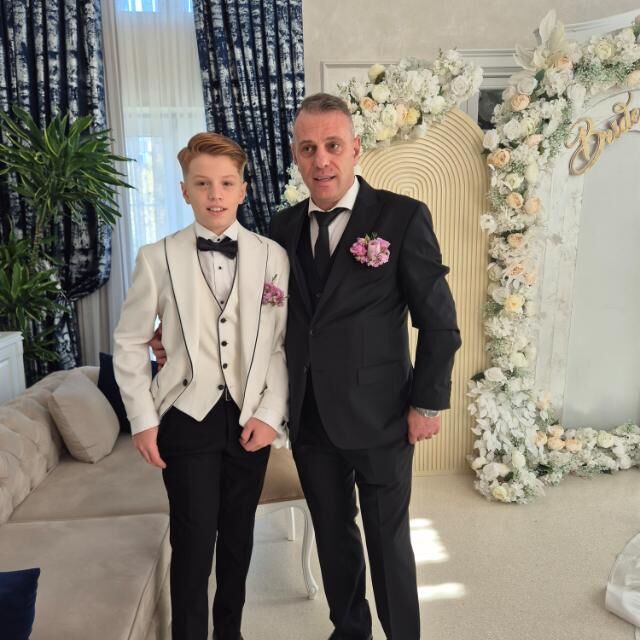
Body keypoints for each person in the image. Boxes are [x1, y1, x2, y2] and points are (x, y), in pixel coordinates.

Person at [269, 93, 462, 640]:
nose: (321, 160)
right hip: (310, 417)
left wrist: (427, 403)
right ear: (296, 155)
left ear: (355, 149)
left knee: (388, 541)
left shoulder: (401, 217)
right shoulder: (280, 228)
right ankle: (350, 632)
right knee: (333, 539)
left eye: (333, 145)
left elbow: (440, 322)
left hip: (382, 415)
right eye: (308, 149)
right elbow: (261, 317)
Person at [113, 132, 289, 640]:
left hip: (249, 421)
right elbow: (129, 342)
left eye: (227, 183)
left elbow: (280, 346)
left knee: (238, 541)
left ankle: (230, 633)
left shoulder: (273, 257)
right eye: (203, 183)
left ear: (243, 190)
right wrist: (142, 420)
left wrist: (270, 413)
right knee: (192, 544)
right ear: (184, 190)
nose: (215, 194)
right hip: (185, 417)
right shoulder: (156, 257)